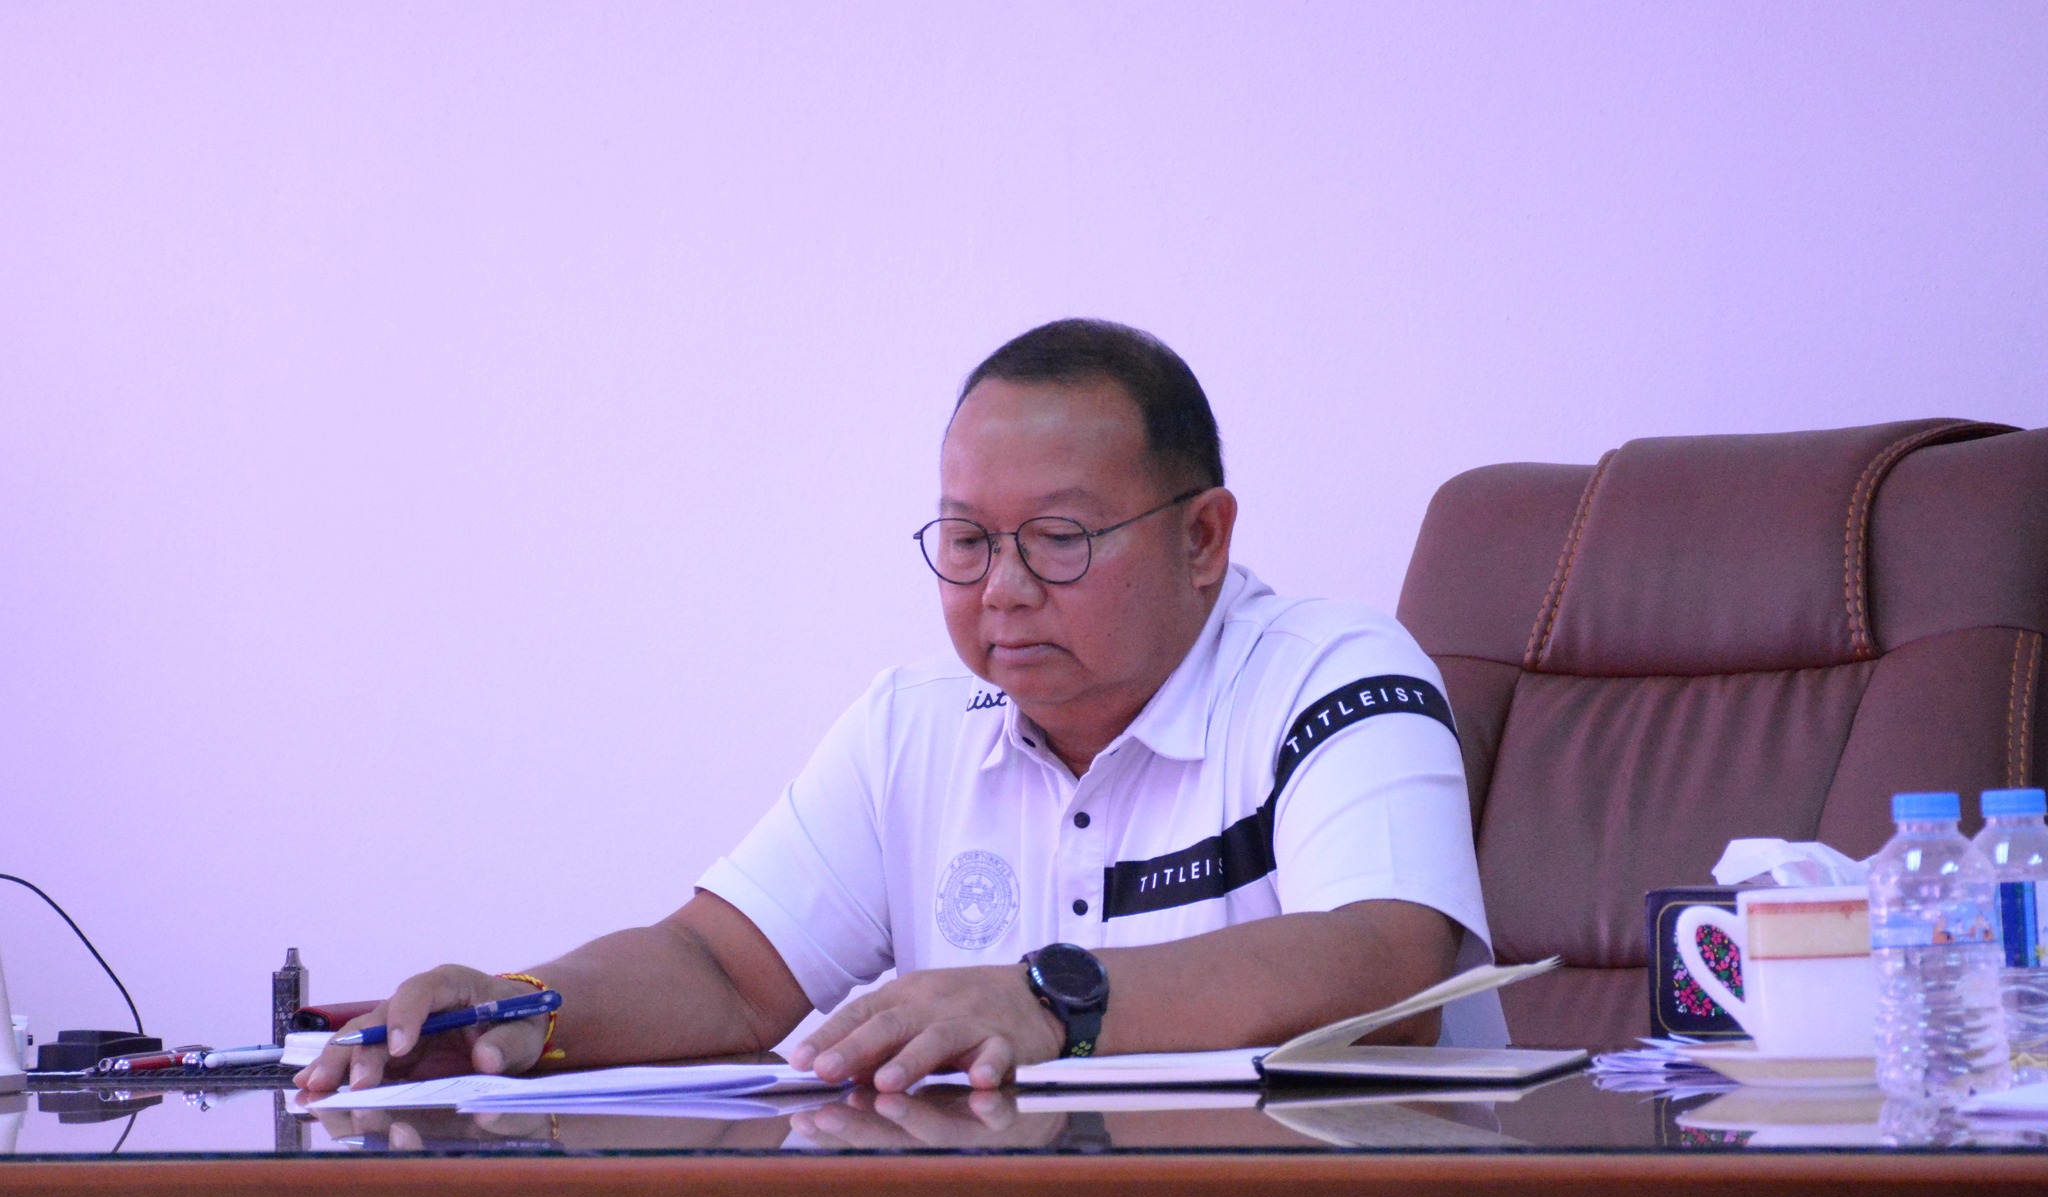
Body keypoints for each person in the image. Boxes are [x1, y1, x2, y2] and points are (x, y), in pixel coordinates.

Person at [296, 319, 1495, 1097]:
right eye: (967, 541)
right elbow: (722, 969)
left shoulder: (1334, 676)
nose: (1002, 590)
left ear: (1201, 539)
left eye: (1058, 538)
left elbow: (1389, 969)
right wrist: (526, 1010)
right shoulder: (913, 725)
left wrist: (1044, 1000)